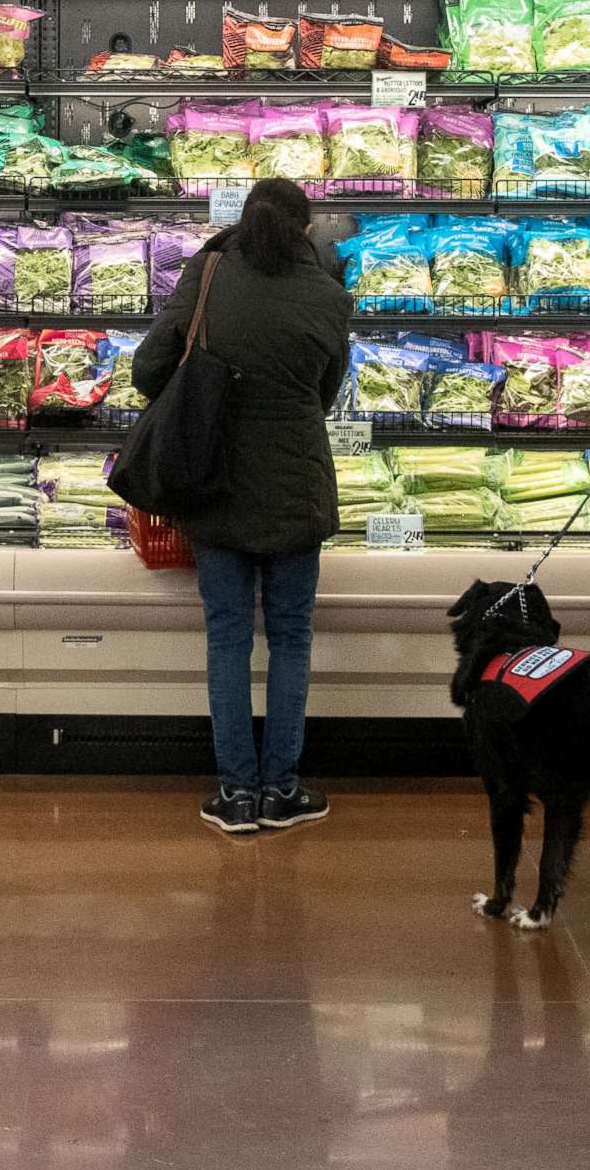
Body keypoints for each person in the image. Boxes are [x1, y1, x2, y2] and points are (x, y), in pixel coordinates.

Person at [134, 177, 352, 836]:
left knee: (227, 637)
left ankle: (235, 794)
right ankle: (281, 788)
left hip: (214, 482)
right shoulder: (328, 294)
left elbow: (148, 371)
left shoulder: (206, 274)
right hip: (295, 488)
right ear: (304, 228)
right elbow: (325, 391)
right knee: (290, 637)